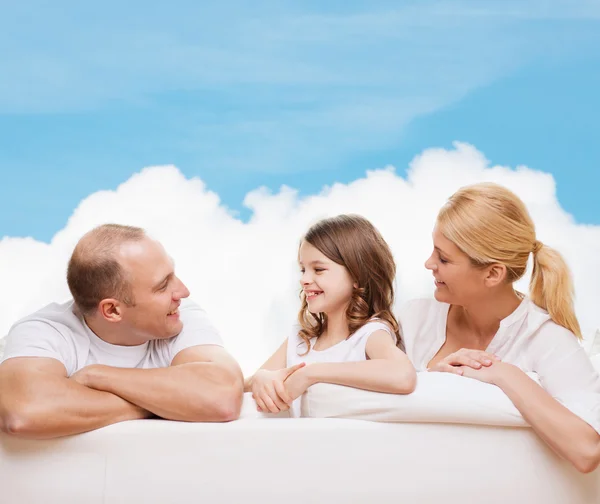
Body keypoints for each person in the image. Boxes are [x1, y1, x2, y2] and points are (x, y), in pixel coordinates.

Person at [399, 182, 600, 473]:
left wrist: (503, 373)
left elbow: (587, 451)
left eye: (443, 258)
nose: (429, 263)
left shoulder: (547, 339)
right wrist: (436, 381)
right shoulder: (415, 318)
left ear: (493, 273)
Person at [0, 224, 243, 439]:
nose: (183, 291)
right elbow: (24, 413)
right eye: (162, 286)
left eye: (174, 274)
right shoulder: (44, 331)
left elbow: (222, 397)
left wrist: (98, 376)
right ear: (113, 310)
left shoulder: (178, 315)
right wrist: (167, 405)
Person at [245, 215, 416, 417]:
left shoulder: (369, 334)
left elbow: (403, 375)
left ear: (357, 275)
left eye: (318, 269)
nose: (304, 279)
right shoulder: (301, 339)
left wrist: (311, 373)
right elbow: (245, 387)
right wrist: (260, 378)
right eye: (303, 269)